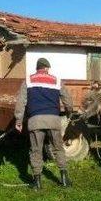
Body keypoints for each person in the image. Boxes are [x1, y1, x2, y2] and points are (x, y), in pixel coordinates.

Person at [14, 58, 74, 190]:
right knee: (58, 148)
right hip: (53, 120)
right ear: (47, 68)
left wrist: (19, 120)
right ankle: (64, 179)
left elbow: (20, 102)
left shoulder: (28, 80)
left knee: (36, 150)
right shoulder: (57, 80)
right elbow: (68, 100)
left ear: (37, 68)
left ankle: (37, 183)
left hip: (35, 120)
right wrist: (70, 112)